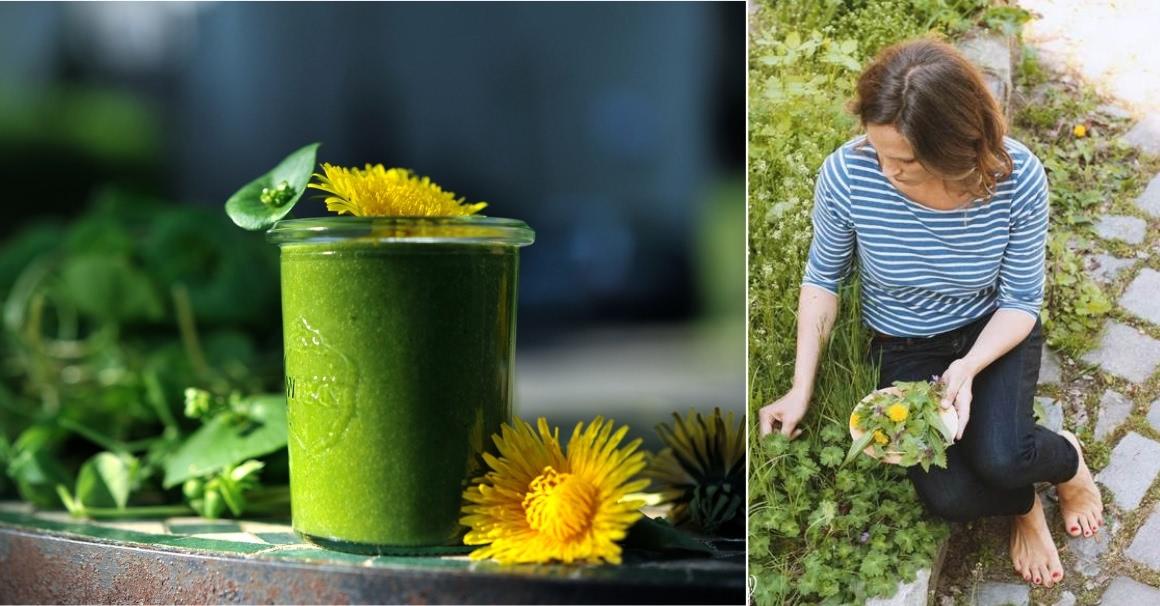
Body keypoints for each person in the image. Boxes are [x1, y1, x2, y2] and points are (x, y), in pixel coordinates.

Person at [757, 38, 1103, 589]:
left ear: (956, 147)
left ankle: (1067, 464)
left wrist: (966, 369)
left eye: (907, 160)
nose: (888, 171)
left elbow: (1019, 302)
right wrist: (801, 388)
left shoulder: (1018, 178)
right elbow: (823, 280)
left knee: (1002, 455)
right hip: (905, 343)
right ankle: (1023, 503)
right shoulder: (849, 174)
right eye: (879, 151)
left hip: (992, 331)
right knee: (952, 496)